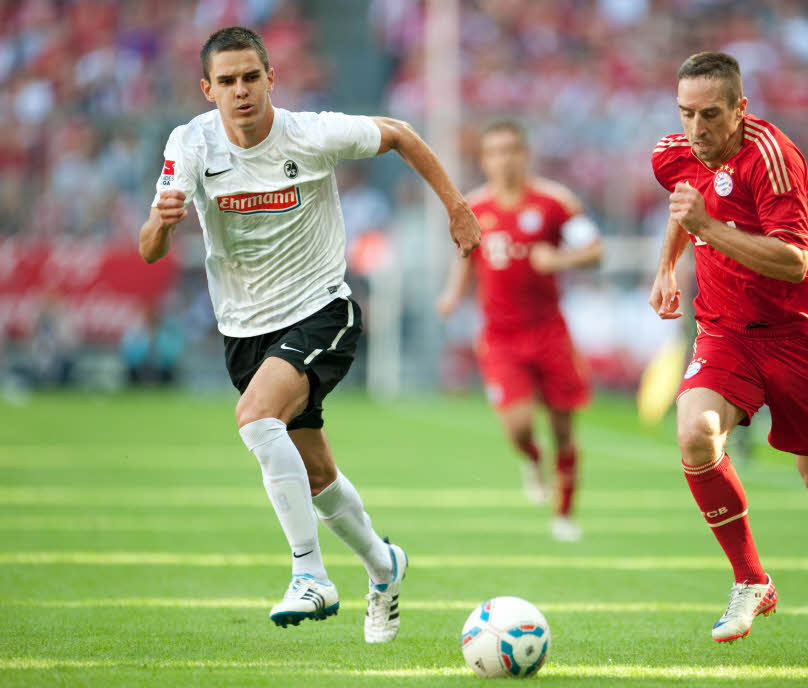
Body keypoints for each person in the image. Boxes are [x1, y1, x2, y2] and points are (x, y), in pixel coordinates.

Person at [138, 27, 480, 641]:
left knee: (254, 417)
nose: (241, 91)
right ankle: (384, 566)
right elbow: (149, 252)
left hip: (322, 309)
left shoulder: (312, 133)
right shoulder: (191, 143)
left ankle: (310, 575)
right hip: (244, 330)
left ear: (271, 78)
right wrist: (161, 225)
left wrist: (456, 206)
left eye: (251, 77)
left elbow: (400, 134)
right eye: (227, 81)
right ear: (207, 89)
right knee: (315, 473)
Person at [648, 52, 808, 642]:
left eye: (712, 114)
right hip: (724, 332)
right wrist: (667, 266)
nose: (697, 128)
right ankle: (751, 580)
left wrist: (708, 231)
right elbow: (684, 193)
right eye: (687, 113)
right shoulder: (675, 152)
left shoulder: (774, 160)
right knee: (695, 434)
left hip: (799, 338)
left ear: (741, 109)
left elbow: (795, 263)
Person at [437, 120, 602, 542]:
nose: (504, 158)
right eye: (495, 151)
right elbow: (466, 257)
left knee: (565, 428)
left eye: (511, 149)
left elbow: (595, 250)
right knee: (519, 426)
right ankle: (531, 458)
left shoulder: (554, 202)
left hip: (549, 331)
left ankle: (564, 515)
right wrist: (454, 294)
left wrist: (561, 261)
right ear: (484, 160)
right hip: (500, 337)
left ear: (524, 154)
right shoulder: (472, 207)